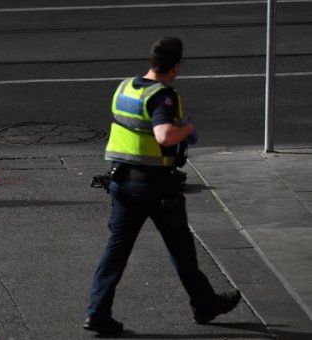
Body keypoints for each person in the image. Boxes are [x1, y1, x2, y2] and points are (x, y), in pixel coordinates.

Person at [83, 37, 241, 336]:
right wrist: (188, 130)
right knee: (181, 249)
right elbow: (164, 135)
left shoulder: (126, 87)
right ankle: (205, 304)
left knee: (115, 251)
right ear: (176, 66)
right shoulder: (162, 96)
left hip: (121, 181)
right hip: (156, 187)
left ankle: (97, 313)